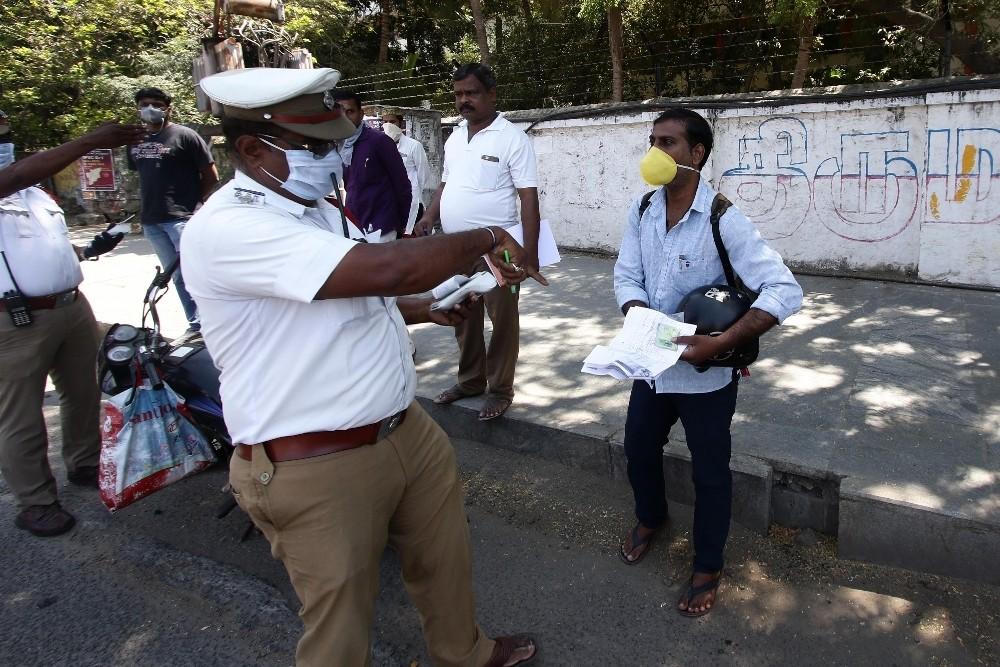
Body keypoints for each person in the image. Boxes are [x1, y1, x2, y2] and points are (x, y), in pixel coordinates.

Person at [184, 67, 543, 667]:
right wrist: (484, 236)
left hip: (404, 429)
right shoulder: (232, 227)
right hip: (316, 459)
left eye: (337, 142)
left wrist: (424, 308)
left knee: (444, 560)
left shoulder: (316, 208)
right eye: (317, 145)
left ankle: (464, 652)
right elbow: (386, 269)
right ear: (252, 148)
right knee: (339, 628)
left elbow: (359, 290)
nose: (335, 156)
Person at [613, 108, 803, 616]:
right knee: (638, 448)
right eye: (652, 141)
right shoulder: (643, 209)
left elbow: (784, 289)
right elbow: (626, 274)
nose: (656, 152)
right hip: (652, 369)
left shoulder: (724, 218)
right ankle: (650, 517)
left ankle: (708, 565)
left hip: (705, 376)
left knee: (710, 473)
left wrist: (721, 344)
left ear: (697, 154)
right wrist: (637, 315)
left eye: (668, 142)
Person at [0, 112, 146, 536]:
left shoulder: (35, 194)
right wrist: (91, 140)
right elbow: (21, 171)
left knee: (83, 394)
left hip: (70, 306)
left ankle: (84, 463)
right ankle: (36, 500)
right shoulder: (15, 181)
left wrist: (93, 248)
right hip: (14, 321)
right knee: (20, 416)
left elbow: (44, 248)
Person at [415, 63, 541, 421]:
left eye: (471, 93)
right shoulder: (455, 137)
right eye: (458, 94)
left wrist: (528, 257)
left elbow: (528, 198)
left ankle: (500, 389)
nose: (463, 101)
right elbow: (445, 184)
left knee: (502, 320)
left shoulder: (512, 138)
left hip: (499, 251)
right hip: (455, 247)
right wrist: (429, 216)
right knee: (460, 314)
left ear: (491, 94)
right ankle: (470, 381)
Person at [128, 87, 219, 333]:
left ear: (168, 108)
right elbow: (146, 175)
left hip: (182, 218)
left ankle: (214, 323)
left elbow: (211, 176)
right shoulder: (136, 140)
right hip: (152, 221)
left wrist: (192, 202)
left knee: (195, 273)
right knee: (175, 276)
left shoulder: (185, 136)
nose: (150, 108)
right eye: (145, 104)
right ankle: (196, 323)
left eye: (157, 104)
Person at [332, 90, 411, 240]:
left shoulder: (379, 142)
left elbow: (403, 186)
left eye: (350, 111)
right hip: (355, 226)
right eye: (339, 112)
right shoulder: (339, 145)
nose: (344, 117)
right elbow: (351, 186)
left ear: (361, 114)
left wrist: (399, 224)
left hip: (382, 229)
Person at [381, 107, 432, 235]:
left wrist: (413, 190)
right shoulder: (380, 146)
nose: (388, 126)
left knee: (414, 238)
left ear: (401, 124)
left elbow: (423, 174)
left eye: (392, 122)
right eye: (385, 122)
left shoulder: (413, 146)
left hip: (412, 200)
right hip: (388, 202)